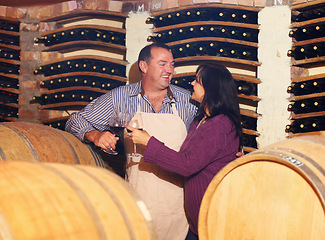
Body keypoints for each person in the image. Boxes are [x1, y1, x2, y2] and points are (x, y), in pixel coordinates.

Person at [65, 42, 198, 240]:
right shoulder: (120, 97)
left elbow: (209, 137)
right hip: (138, 200)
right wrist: (95, 135)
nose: (169, 70)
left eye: (172, 64)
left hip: (179, 205)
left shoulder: (187, 101)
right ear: (143, 67)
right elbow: (75, 120)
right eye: (163, 64)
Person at [126, 63, 243, 240]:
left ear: (211, 89)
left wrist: (148, 142)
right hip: (197, 222)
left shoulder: (220, 124)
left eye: (197, 81)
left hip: (214, 221)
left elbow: (186, 164)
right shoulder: (200, 121)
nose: (192, 84)